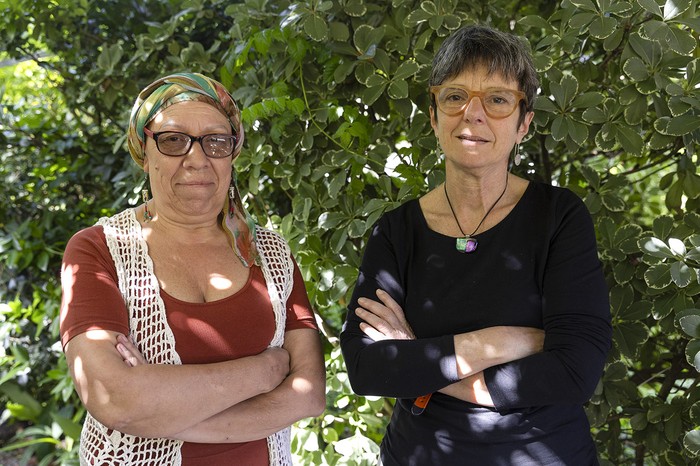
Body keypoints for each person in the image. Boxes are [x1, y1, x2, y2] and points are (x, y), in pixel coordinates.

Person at [340, 25, 611, 465]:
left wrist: (419, 361)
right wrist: (503, 340)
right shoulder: (396, 232)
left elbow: (574, 372)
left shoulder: (557, 217)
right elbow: (366, 366)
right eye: (454, 96)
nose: (473, 113)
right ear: (433, 116)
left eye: (498, 99)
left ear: (524, 123)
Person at [59, 72, 326, 466]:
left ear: (233, 154)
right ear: (144, 152)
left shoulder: (270, 253)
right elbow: (113, 397)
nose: (197, 159)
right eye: (172, 140)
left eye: (216, 141)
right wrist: (267, 370)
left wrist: (156, 413)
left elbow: (309, 394)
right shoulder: (99, 250)